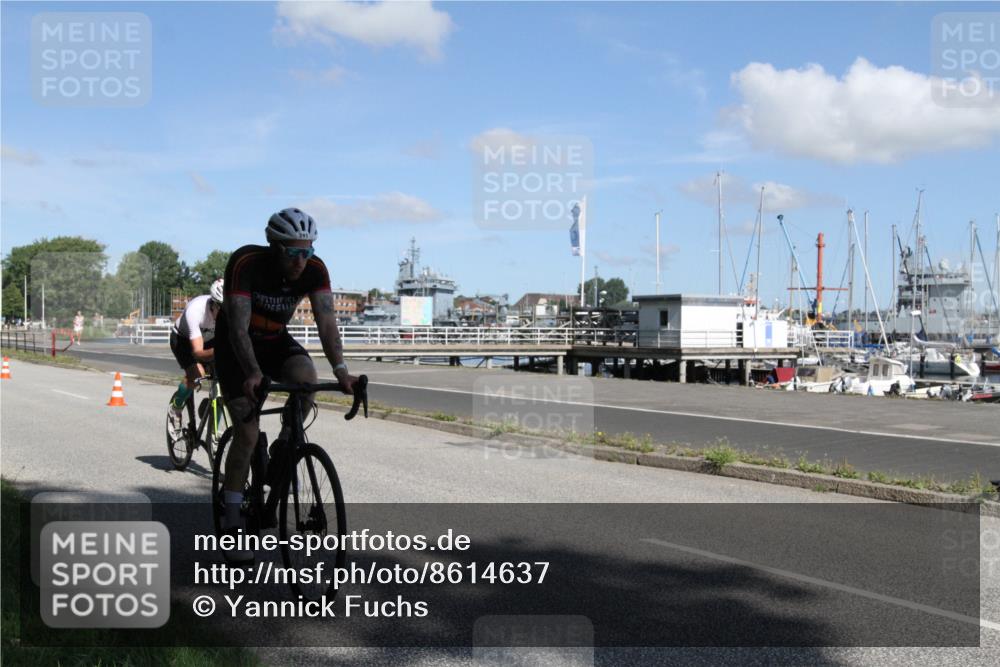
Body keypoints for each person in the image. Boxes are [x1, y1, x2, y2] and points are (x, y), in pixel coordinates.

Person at [215, 208, 357, 563]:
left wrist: (341, 371)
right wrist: (251, 372)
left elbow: (326, 322)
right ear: (274, 246)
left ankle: (284, 445)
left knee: (306, 380)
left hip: (276, 340)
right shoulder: (246, 262)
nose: (301, 261)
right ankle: (232, 524)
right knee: (247, 433)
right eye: (293, 252)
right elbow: (237, 327)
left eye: (307, 251)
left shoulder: (315, 269)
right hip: (237, 347)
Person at [168, 279, 224, 435]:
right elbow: (198, 352)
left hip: (208, 337)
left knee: (224, 378)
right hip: (183, 340)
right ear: (213, 304)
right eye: (222, 308)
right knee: (196, 373)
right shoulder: (196, 310)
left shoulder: (226, 313)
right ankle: (176, 406)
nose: (225, 313)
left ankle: (212, 430)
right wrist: (220, 351)